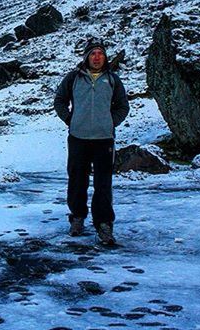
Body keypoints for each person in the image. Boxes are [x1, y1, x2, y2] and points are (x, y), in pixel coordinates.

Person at [53, 38, 130, 245]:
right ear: (86, 57)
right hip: (78, 137)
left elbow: (123, 106)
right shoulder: (74, 78)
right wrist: (70, 119)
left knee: (103, 184)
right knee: (77, 180)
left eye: (100, 54)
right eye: (93, 54)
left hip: (104, 139)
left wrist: (110, 122)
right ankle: (77, 218)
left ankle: (104, 224)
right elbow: (59, 100)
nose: (97, 57)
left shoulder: (113, 80)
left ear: (105, 57)